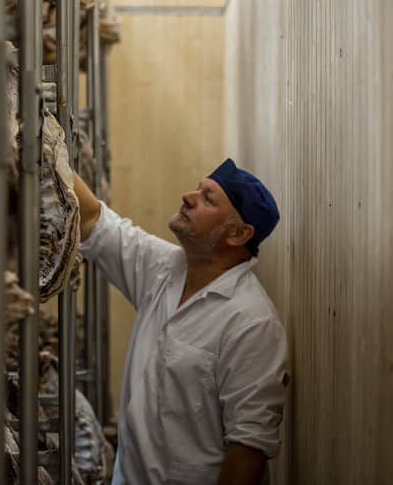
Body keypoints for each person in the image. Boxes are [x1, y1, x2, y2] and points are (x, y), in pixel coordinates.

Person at [75, 158, 290, 485]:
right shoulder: (165, 268)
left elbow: (248, 448)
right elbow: (92, 220)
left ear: (238, 233)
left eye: (208, 198)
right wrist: (44, 140)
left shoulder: (252, 323)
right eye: (198, 188)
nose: (188, 196)